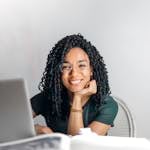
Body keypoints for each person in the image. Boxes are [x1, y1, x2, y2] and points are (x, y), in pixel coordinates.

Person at [31, 34, 118, 136]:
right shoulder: (48, 98)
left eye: (81, 65)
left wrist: (77, 97)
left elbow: (80, 146)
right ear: (58, 72)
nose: (74, 74)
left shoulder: (106, 105)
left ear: (91, 70)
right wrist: (33, 130)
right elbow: (11, 122)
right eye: (66, 67)